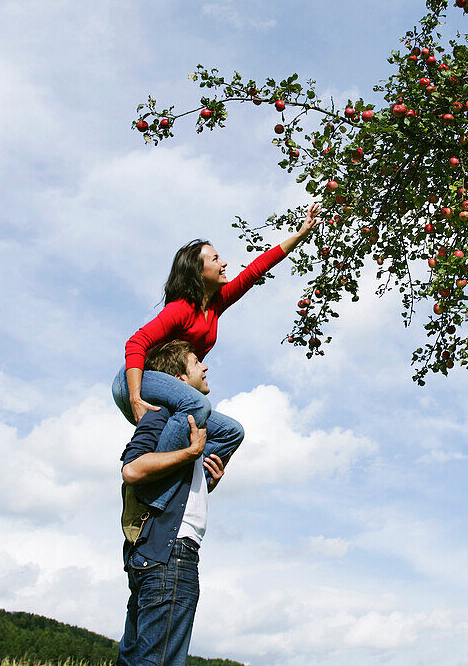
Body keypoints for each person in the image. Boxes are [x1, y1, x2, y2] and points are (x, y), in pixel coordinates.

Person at [111, 204, 319, 511]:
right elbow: (135, 344)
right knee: (198, 405)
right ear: (198, 272)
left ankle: (184, 494)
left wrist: (300, 235)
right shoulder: (181, 308)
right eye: (216, 259)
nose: (224, 263)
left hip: (170, 392)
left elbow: (256, 269)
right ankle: (151, 494)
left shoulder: (216, 304)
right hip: (137, 380)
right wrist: (137, 398)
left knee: (230, 432)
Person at [116, 340, 228, 666]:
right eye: (196, 362)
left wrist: (206, 481)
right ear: (178, 380)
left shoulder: (185, 429)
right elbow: (133, 470)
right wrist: (191, 454)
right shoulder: (162, 416)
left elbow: (170, 488)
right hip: (171, 555)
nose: (205, 367)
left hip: (155, 554)